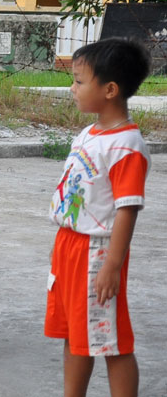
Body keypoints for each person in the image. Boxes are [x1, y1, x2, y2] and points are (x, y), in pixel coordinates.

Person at [46, 38, 151, 397]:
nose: (72, 88)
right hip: (70, 245)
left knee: (109, 339)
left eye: (78, 81)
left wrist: (112, 265)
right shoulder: (89, 133)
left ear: (109, 90)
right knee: (76, 333)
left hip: (97, 253)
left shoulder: (127, 145)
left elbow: (127, 208)